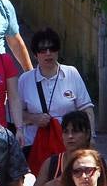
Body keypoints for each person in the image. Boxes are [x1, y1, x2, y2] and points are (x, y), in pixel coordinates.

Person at [18, 27, 95, 165]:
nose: (48, 53)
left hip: (69, 143)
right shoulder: (25, 79)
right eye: (43, 50)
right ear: (35, 54)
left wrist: (91, 137)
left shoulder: (71, 73)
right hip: (36, 144)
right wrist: (34, 118)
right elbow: (16, 113)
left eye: (52, 48)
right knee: (44, 182)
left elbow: (87, 109)